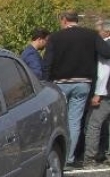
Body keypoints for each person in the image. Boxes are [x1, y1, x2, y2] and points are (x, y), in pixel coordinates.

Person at [42, 10, 110, 168]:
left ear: (64, 20)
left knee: (58, 120)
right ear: (77, 20)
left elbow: (47, 63)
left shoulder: (55, 37)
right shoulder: (91, 35)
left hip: (59, 84)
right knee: (74, 121)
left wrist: (45, 84)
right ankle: (70, 158)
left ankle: (56, 156)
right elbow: (106, 53)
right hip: (83, 84)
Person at [83, 19, 110, 166]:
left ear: (106, 31)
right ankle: (106, 152)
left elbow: (104, 72)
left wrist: (98, 93)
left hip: (106, 92)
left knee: (94, 124)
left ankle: (90, 156)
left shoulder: (105, 47)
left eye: (99, 31)